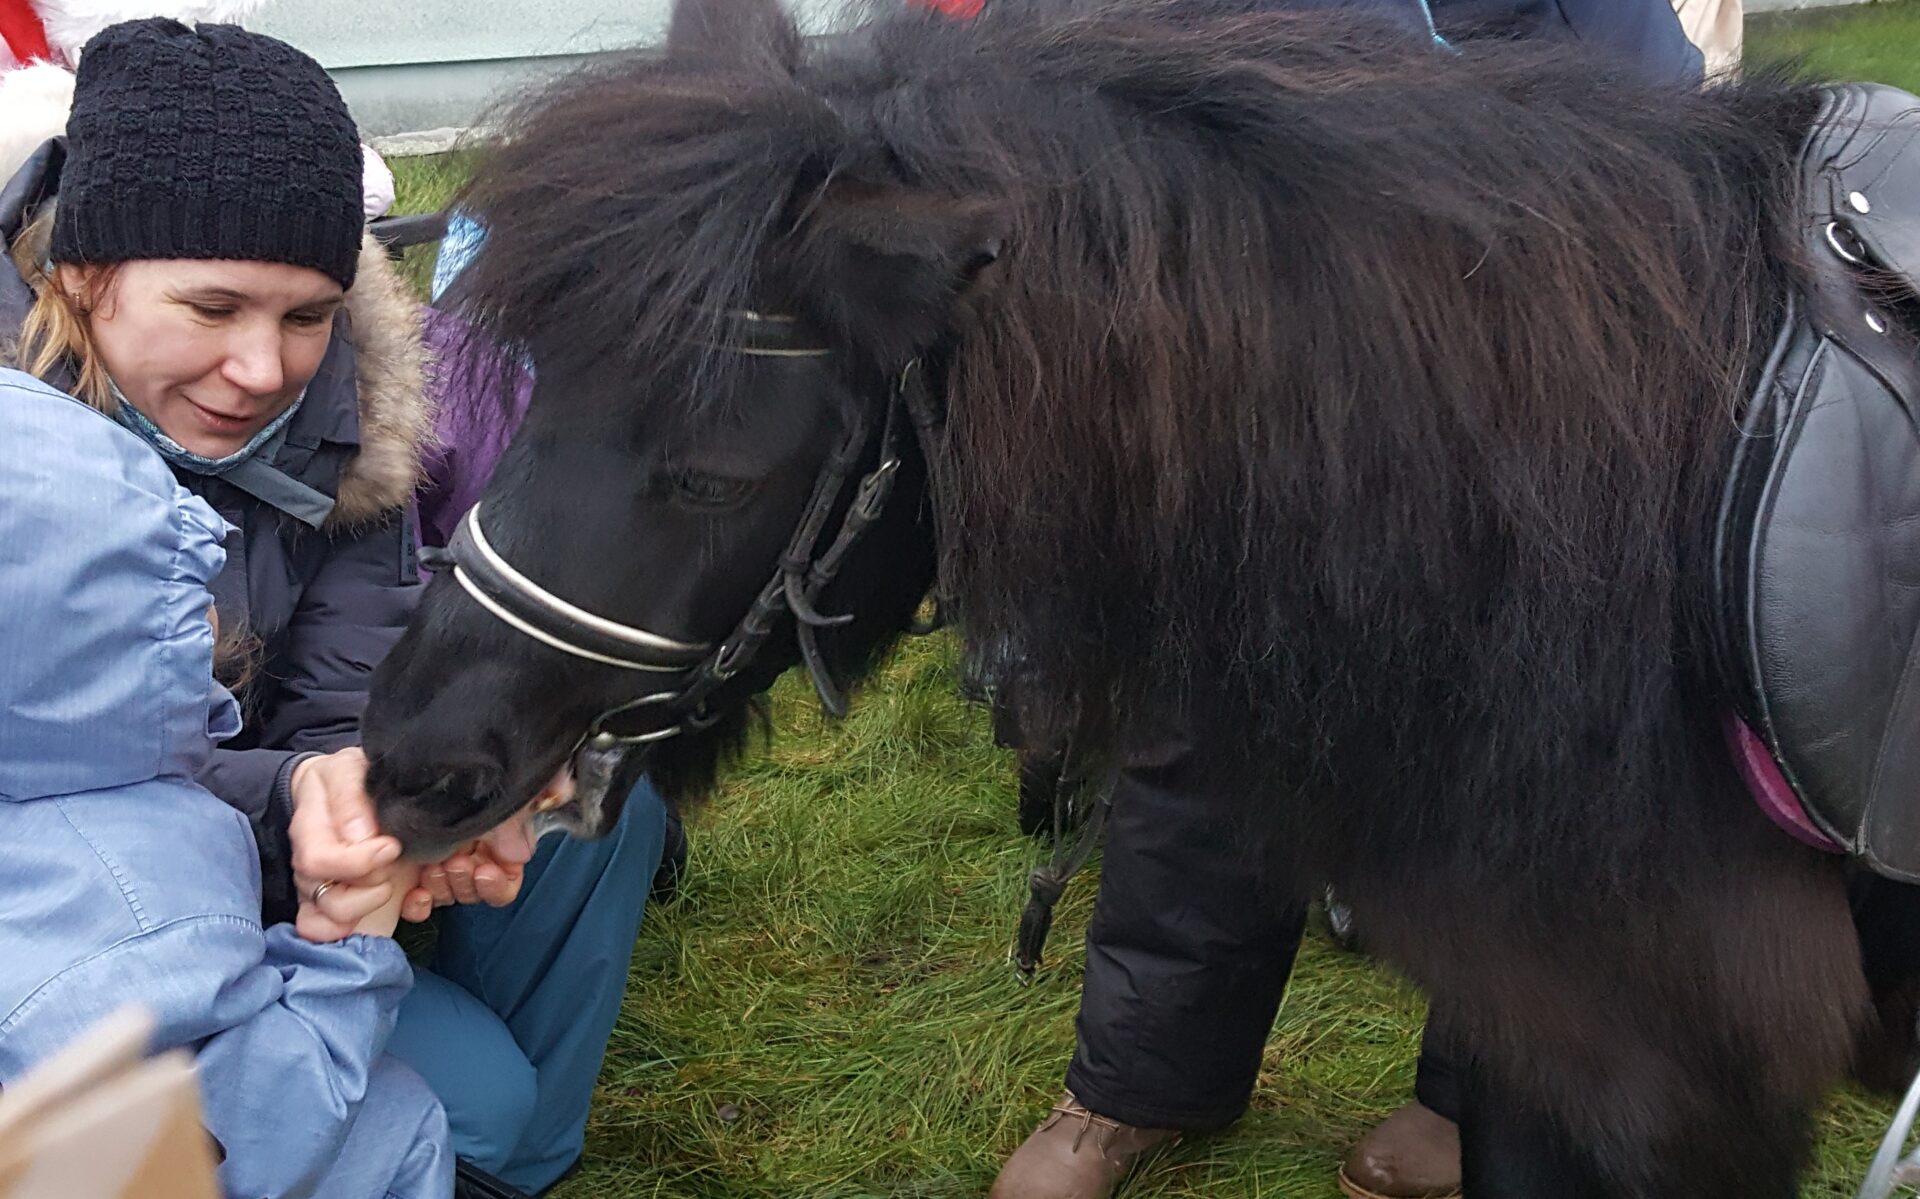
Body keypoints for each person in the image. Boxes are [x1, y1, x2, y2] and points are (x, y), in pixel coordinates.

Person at [983, 3, 1707, 1198]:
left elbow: (1663, 191)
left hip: (1528, 450)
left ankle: (1467, 1092)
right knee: (1204, 760)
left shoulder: (1607, 18)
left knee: (1529, 768)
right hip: (1272, 433)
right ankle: (1134, 1086)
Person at [0, 19, 668, 1196]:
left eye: (306, 314)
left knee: (591, 799)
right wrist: (309, 808)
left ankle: (491, 1149)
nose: (265, 369)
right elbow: (59, 794)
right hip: (85, 921)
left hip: (286, 849)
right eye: (213, 308)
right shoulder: (19, 481)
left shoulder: (347, 423)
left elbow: (343, 694)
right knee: (482, 1100)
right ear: (82, 277)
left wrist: (382, 806)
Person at [0, 368, 453, 1199]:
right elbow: (246, 1129)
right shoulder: (140, 904)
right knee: (400, 1117)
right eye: (164, 576)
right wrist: (348, 950)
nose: (208, 606)